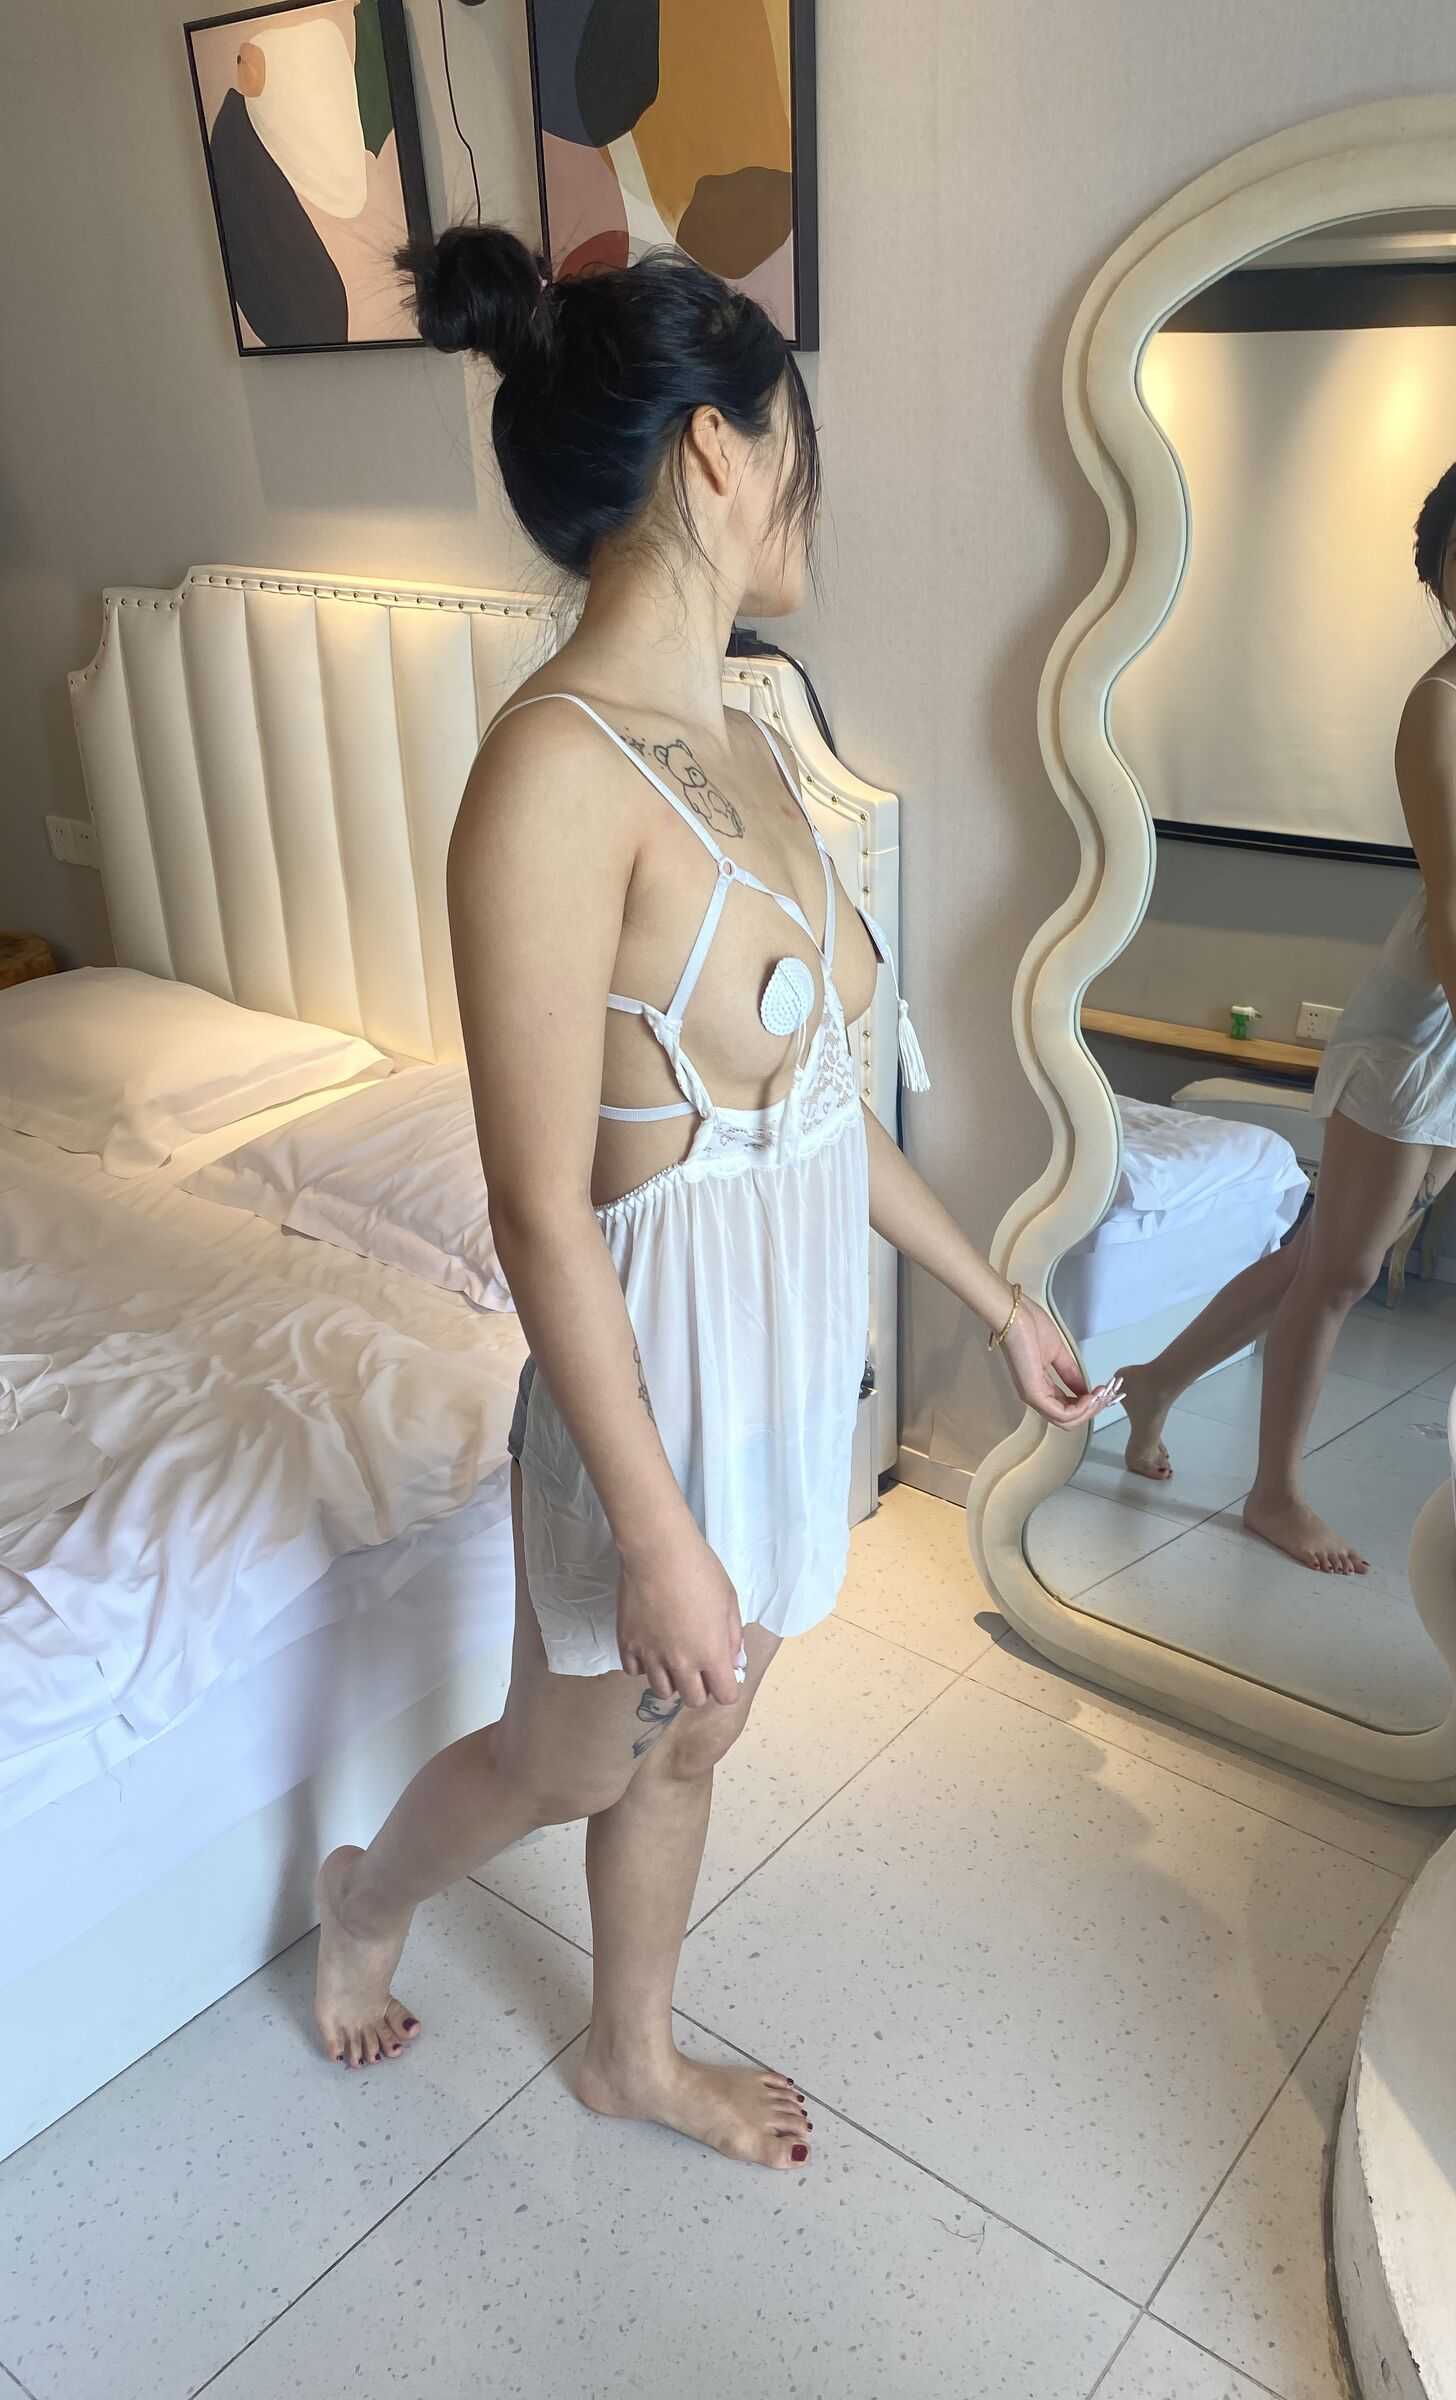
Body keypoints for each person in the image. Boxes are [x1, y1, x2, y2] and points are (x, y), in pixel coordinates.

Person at [311, 231, 1113, 2169]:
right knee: (571, 1753)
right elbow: (536, 1209)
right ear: (717, 449)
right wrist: (658, 1532)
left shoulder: (749, 737)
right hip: (646, 1399)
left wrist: (995, 1299)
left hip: (776, 1367)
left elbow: (815, 1122)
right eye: (796, 436)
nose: (814, 481)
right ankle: (362, 1895)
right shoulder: (552, 773)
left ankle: (630, 2051)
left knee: (707, 1728)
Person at [1120, 454, 1456, 1573]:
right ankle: (1274, 1495)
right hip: (1426, 1025)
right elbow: (1452, 899)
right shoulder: (1438, 707)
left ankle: (1154, 1385)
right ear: (1438, 581)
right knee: (1342, 1272)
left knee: (1329, 1252)